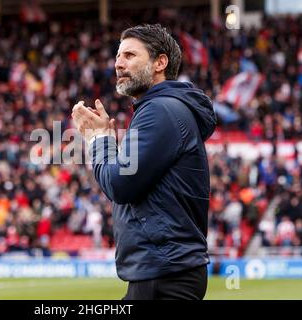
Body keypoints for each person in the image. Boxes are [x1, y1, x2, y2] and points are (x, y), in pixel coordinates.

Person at [71, 24, 216, 300]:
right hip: (164, 269)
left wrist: (98, 139)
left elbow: (120, 184)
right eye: (117, 56)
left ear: (160, 62)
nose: (118, 64)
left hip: (165, 273)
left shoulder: (160, 110)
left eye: (129, 56)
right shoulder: (165, 108)